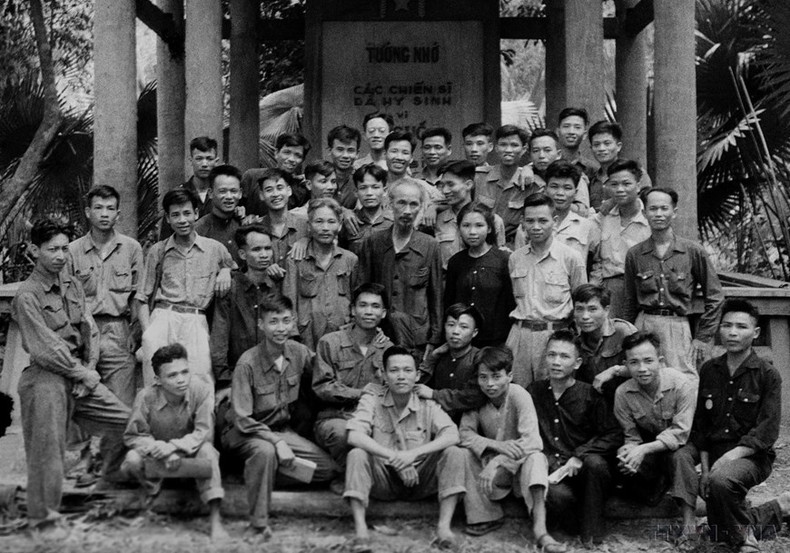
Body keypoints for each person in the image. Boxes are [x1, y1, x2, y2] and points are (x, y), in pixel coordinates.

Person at [13, 219, 130, 532]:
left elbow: (89, 329)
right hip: (45, 379)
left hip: (80, 375)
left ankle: (105, 485)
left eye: (65, 248)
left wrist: (88, 369)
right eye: (52, 249)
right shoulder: (27, 295)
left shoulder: (73, 284)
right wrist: (81, 373)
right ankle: (44, 520)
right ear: (33, 250)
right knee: (47, 452)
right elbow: (45, 349)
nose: (61, 255)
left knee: (126, 423)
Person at [221, 296, 336, 537]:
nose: (281, 328)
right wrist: (277, 442)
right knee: (265, 452)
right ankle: (258, 525)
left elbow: (325, 368)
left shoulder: (299, 352)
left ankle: (255, 474)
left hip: (281, 431)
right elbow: (242, 419)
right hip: (245, 433)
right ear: (261, 325)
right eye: (273, 322)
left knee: (326, 469)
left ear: (293, 322)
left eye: (286, 321)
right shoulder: (247, 363)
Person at [673, 300, 784, 551]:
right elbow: (701, 425)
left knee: (721, 482)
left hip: (750, 456)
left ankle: (747, 538)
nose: (732, 332)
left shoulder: (767, 375)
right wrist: (704, 464)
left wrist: (725, 461)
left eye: (741, 327)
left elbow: (767, 430)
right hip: (711, 449)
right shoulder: (710, 370)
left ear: (755, 333)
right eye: (726, 325)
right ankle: (689, 528)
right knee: (680, 455)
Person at [343, 346, 466, 550]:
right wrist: (395, 458)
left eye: (408, 371)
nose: (401, 376)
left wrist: (413, 455)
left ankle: (444, 528)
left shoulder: (427, 404)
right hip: (384, 480)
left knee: (454, 452)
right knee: (357, 453)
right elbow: (354, 435)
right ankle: (361, 531)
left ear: (417, 375)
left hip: (420, 480)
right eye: (394, 370)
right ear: (383, 374)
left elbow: (452, 434)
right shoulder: (371, 399)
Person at [459, 347, 566, 553]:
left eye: (496, 377)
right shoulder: (477, 396)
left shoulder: (518, 395)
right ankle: (485, 515)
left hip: (517, 468)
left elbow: (533, 441)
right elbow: (465, 434)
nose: (490, 384)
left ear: (509, 376)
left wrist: (498, 460)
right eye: (483, 377)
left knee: (536, 458)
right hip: (489, 473)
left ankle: (541, 530)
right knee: (463, 453)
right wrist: (496, 447)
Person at [122, 343, 228, 540]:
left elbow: (204, 432)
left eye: (185, 372)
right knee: (131, 459)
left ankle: (215, 519)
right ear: (158, 380)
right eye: (172, 375)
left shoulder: (201, 390)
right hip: (160, 460)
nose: (181, 380)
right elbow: (133, 435)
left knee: (208, 451)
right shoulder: (146, 397)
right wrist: (158, 448)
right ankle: (153, 497)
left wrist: (175, 448)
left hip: (190, 456)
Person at [527, 331, 622, 547]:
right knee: (557, 497)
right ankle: (571, 523)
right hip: (552, 470)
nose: (556, 362)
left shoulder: (589, 394)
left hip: (583, 473)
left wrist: (581, 454)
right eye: (551, 355)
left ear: (577, 363)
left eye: (564, 356)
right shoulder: (535, 391)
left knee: (596, 464)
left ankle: (592, 532)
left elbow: (613, 433)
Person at [623, 187, 724, 378]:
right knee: (643, 377)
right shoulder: (635, 254)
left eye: (664, 208)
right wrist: (628, 336)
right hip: (644, 323)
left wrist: (702, 337)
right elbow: (630, 300)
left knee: (683, 379)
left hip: (677, 325)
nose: (658, 214)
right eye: (653, 209)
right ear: (644, 213)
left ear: (674, 212)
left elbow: (715, 296)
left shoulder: (693, 251)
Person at [137, 188, 233, 386]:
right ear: (168, 219)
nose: (182, 220)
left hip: (196, 319)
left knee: (200, 380)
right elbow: (142, 297)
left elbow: (235, 269)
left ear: (196, 214)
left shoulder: (214, 248)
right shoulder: (159, 250)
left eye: (187, 213)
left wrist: (226, 271)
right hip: (164, 317)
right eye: (175, 215)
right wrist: (148, 333)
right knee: (157, 382)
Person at [68, 185, 144, 407]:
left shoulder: (131, 248)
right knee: (79, 408)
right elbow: (67, 297)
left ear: (118, 214)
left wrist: (136, 331)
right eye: (98, 208)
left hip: (118, 332)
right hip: (82, 332)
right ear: (87, 211)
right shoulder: (72, 251)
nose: (104, 214)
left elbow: (139, 295)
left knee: (121, 407)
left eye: (110, 209)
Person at [506, 194, 587, 387]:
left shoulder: (571, 257)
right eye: (530, 221)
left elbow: (581, 302)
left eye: (542, 221)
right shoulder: (515, 258)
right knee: (518, 392)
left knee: (553, 394)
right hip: (520, 336)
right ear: (523, 223)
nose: (536, 227)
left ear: (555, 221)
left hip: (555, 335)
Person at [358, 179, 443, 362]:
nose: (407, 211)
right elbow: (362, 290)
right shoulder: (373, 243)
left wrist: (434, 339)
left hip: (416, 337)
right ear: (389, 204)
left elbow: (436, 295)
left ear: (421, 207)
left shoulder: (430, 246)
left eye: (414, 204)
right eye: (401, 203)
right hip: (380, 335)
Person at [613, 332, 697, 507]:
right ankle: (658, 487)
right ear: (626, 365)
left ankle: (689, 524)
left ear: (661, 361)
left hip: (688, 443)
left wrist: (642, 450)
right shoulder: (623, 393)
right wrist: (628, 452)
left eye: (648, 361)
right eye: (634, 362)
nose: (642, 368)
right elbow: (631, 436)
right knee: (626, 464)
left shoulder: (681, 384)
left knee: (680, 458)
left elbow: (681, 433)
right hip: (653, 446)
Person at [312, 283, 393, 465]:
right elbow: (322, 387)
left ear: (384, 313)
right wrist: (360, 393)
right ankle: (345, 477)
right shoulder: (330, 343)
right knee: (345, 434)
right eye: (363, 305)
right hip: (335, 417)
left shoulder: (388, 350)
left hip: (373, 419)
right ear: (353, 310)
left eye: (375, 306)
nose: (369, 312)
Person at [210, 224, 281, 395]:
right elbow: (219, 341)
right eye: (256, 249)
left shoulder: (277, 286)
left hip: (273, 376)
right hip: (236, 376)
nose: (264, 255)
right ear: (242, 254)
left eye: (267, 249)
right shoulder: (230, 288)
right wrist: (227, 380)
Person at [283, 198, 358, 350]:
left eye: (331, 222)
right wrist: (292, 338)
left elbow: (355, 301)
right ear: (309, 226)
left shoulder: (350, 259)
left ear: (340, 225)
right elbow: (288, 301)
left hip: (342, 338)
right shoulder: (296, 260)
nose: (325, 228)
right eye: (318, 221)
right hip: (306, 338)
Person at [444, 202, 514, 347]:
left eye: (479, 225)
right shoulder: (456, 262)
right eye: (466, 226)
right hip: (463, 341)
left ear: (489, 228)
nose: (472, 232)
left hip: (496, 340)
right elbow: (449, 302)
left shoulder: (503, 260)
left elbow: (511, 303)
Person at [589, 159, 651, 319]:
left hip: (644, 288)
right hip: (612, 288)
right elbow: (595, 257)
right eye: (614, 184)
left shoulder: (650, 218)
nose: (620, 189)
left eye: (626, 184)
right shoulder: (602, 218)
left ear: (638, 185)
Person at [416, 303, 486, 421]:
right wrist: (432, 357)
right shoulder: (439, 356)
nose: (455, 331)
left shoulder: (479, 358)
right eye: (451, 325)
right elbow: (418, 382)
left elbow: (474, 395)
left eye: (463, 327)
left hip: (468, 423)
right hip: (436, 420)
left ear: (474, 332)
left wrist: (435, 395)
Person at [475, 124, 540, 248]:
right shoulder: (479, 177)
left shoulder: (532, 184)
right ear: (496, 148)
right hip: (481, 245)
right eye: (503, 144)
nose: (508, 150)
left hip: (515, 246)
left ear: (524, 148)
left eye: (514, 145)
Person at [571, 284, 637, 403]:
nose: (585, 316)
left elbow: (645, 368)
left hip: (628, 401)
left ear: (606, 310)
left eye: (592, 309)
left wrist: (615, 371)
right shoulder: (577, 343)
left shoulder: (624, 331)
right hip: (596, 405)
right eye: (579, 309)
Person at [434, 160, 506, 269]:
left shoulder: (493, 220)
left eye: (450, 184)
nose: (445, 190)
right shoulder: (438, 220)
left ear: (468, 185)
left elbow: (501, 260)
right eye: (442, 185)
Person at [514, 160, 594, 257]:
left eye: (567, 188)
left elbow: (598, 263)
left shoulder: (587, 226)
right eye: (554, 186)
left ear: (575, 192)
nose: (560, 193)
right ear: (546, 189)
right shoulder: (528, 225)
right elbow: (519, 262)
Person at [159, 137, 218, 239]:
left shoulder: (222, 194)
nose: (204, 164)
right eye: (199, 159)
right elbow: (166, 236)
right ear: (191, 160)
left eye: (209, 159)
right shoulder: (179, 194)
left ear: (216, 161)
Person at [256, 168, 309, 280]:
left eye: (280, 188)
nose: (275, 194)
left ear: (289, 191)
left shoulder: (307, 225)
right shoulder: (255, 229)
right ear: (261, 195)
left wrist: (307, 239)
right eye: (269, 190)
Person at [587, 121, 652, 212]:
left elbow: (648, 199)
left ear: (618, 146)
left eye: (607, 143)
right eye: (596, 145)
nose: (601, 149)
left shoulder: (634, 172)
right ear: (591, 148)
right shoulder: (592, 180)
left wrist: (614, 201)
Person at [382, 130, 443, 227]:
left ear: (411, 158)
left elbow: (450, 203)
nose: (399, 157)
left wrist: (434, 207)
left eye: (405, 153)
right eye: (394, 151)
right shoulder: (375, 187)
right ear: (384, 154)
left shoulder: (424, 188)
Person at [241, 133, 312, 215]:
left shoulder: (301, 189)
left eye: (298, 155)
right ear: (276, 153)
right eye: (287, 152)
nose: (292, 159)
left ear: (302, 160)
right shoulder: (252, 176)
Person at [527, 128, 590, 213]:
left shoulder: (573, 176)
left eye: (547, 150)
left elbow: (583, 212)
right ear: (530, 155)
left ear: (558, 154)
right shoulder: (525, 176)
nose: (541, 155)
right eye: (536, 151)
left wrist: (550, 198)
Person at [194, 164, 244, 265]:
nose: (229, 196)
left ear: (240, 193)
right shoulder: (199, 229)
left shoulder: (245, 224)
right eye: (222, 191)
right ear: (211, 193)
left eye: (233, 191)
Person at [339, 163, 392, 255]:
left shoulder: (393, 221)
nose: (369, 193)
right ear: (356, 192)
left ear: (385, 191)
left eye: (375, 187)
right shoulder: (349, 222)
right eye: (363, 188)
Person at [555, 107, 598, 180]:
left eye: (577, 127)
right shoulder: (549, 163)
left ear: (584, 135)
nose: (571, 131)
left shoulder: (592, 169)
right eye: (566, 126)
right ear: (557, 132)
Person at [326, 125, 361, 209]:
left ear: (357, 154)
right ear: (330, 151)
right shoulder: (320, 177)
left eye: (350, 150)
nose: (345, 155)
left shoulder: (360, 180)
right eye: (340, 149)